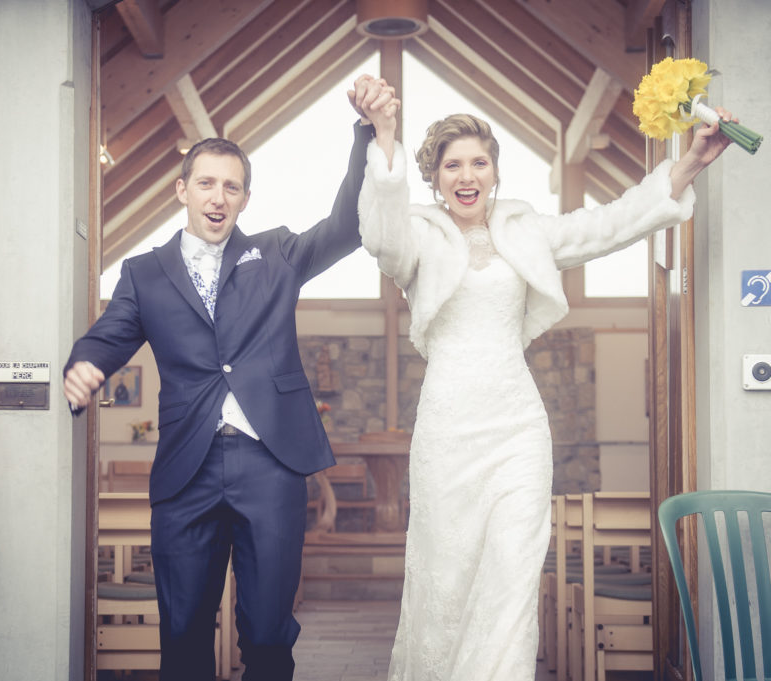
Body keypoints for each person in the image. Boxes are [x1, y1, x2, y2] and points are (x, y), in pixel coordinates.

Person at [358, 107, 734, 679]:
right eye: (452, 165)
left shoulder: (524, 230)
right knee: (447, 573)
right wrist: (384, 138)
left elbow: (611, 223)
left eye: (479, 163)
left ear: (495, 172)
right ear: (433, 177)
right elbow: (380, 237)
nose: (467, 175)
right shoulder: (416, 235)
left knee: (513, 574)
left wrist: (689, 162)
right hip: (447, 429)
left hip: (517, 429)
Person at [63, 74, 399, 681]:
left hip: (269, 464)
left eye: (232, 187)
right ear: (182, 190)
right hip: (185, 470)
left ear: (245, 198)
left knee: (269, 634)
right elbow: (108, 335)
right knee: (184, 634)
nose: (219, 196)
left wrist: (366, 134)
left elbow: (347, 224)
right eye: (207, 183)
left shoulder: (277, 255)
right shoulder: (143, 274)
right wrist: (85, 364)